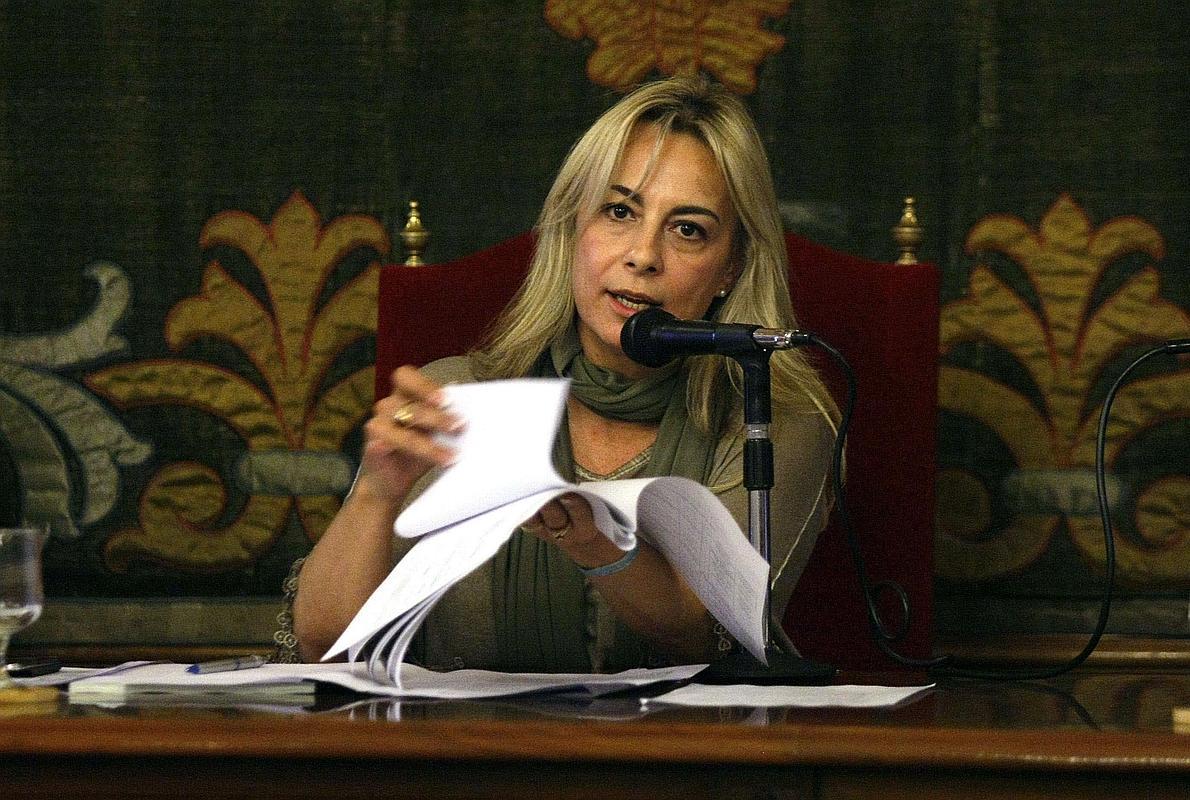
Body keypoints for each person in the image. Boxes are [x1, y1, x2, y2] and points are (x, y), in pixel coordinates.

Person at [286, 74, 839, 672]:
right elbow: (323, 648)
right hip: (460, 733)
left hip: (687, 734)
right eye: (619, 211)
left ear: (730, 267)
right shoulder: (458, 395)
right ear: (574, 227)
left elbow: (712, 637)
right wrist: (377, 492)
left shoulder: (773, 420)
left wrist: (592, 537)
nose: (643, 255)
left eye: (688, 229)